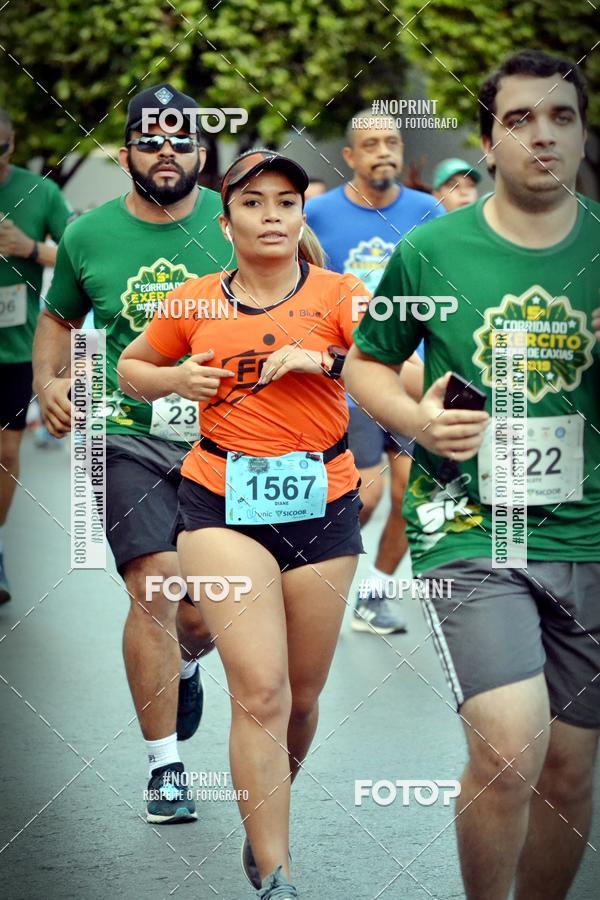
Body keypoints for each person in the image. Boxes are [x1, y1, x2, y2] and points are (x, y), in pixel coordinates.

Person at [344, 49, 599, 900]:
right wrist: (417, 421)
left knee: (568, 771)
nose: (542, 135)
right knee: (509, 747)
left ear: (583, 133)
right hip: (469, 527)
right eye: (519, 119)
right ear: (489, 142)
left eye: (561, 117)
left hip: (590, 533)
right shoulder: (431, 250)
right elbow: (366, 364)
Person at [118, 150, 366, 899]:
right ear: (225, 222)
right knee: (260, 690)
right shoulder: (192, 301)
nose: (272, 217)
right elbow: (131, 367)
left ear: (302, 216)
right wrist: (174, 378)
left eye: (286, 203)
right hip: (220, 502)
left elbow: (400, 375)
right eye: (254, 204)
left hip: (323, 504)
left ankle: (266, 821)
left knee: (300, 698)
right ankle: (277, 872)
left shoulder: (342, 293)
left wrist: (324, 358)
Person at [33, 83, 232, 824]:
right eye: (151, 141)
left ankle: (186, 661)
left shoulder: (236, 217)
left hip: (230, 437)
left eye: (181, 141)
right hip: (127, 434)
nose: (167, 153)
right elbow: (58, 318)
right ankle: (165, 768)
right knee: (156, 585)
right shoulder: (88, 235)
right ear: (126, 155)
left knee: (206, 615)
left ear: (202, 152)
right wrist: (50, 381)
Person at [307, 110, 440, 634]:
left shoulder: (428, 210)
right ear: (350, 157)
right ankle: (316, 572)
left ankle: (374, 594)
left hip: (413, 371)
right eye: (372, 144)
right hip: (350, 373)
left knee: (412, 493)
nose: (384, 152)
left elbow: (442, 284)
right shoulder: (317, 213)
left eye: (392, 142)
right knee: (367, 494)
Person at [0, 109, 72, 604]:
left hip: (11, 347)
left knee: (5, 453)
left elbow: (76, 252)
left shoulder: (38, 191)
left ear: (13, 142)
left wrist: (30, 247)